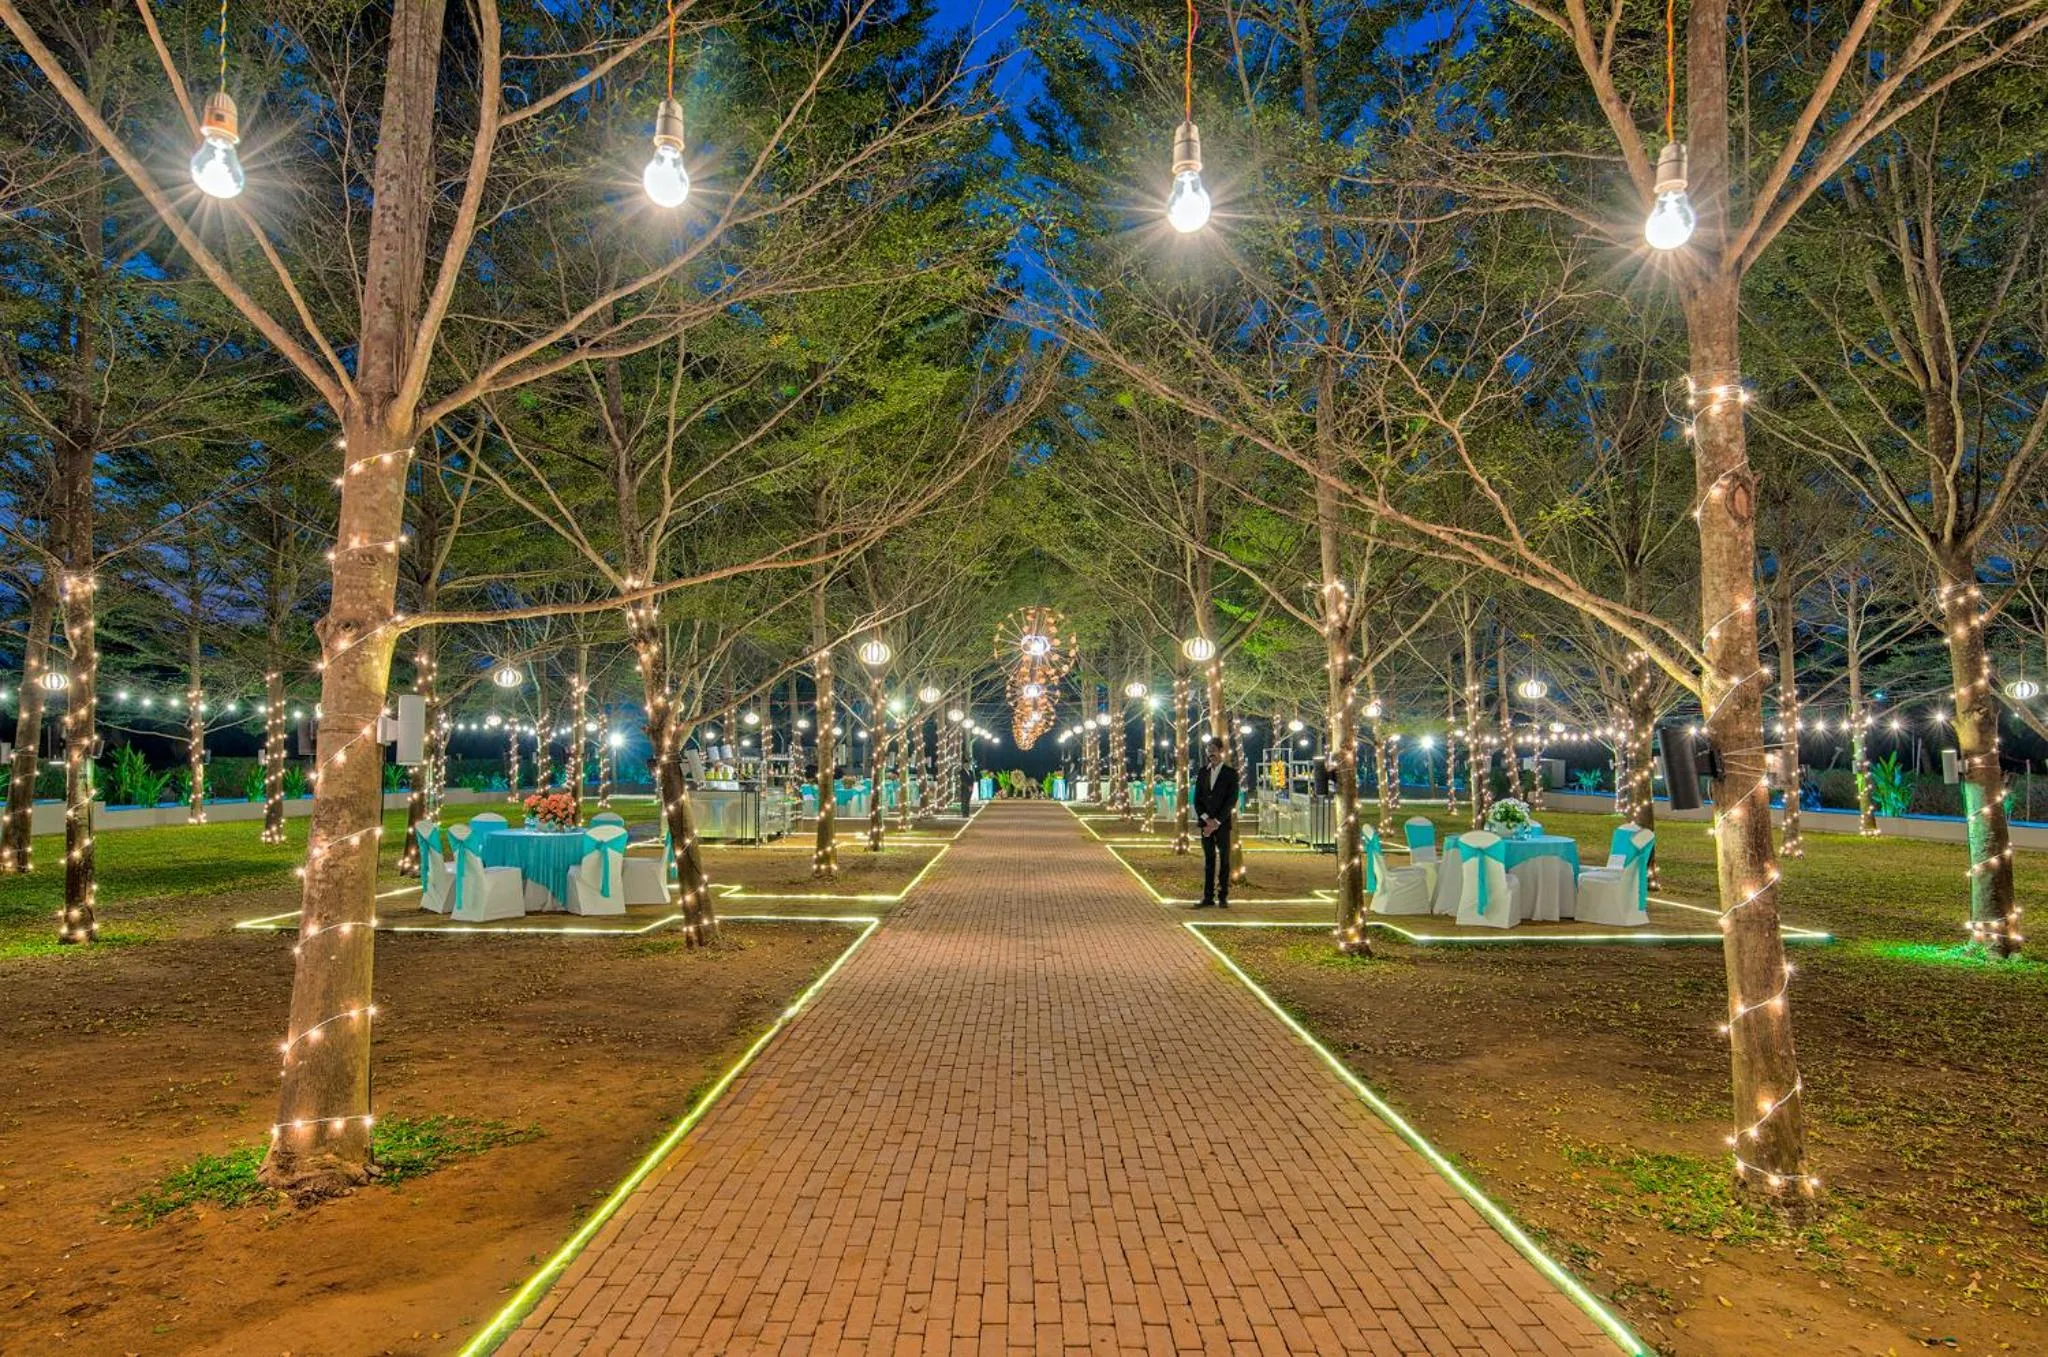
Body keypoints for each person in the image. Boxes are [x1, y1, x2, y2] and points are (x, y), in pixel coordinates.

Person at [1193, 735, 1239, 909]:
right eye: (1208, 750)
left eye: (1213, 750)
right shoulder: (1202, 772)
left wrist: (1217, 821)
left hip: (1222, 824)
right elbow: (1197, 799)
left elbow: (1231, 800)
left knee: (1225, 860)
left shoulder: (1230, 774)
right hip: (1205, 824)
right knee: (1209, 860)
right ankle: (1207, 897)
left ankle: (1223, 896)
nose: (1210, 754)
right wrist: (1206, 819)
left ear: (1221, 752)